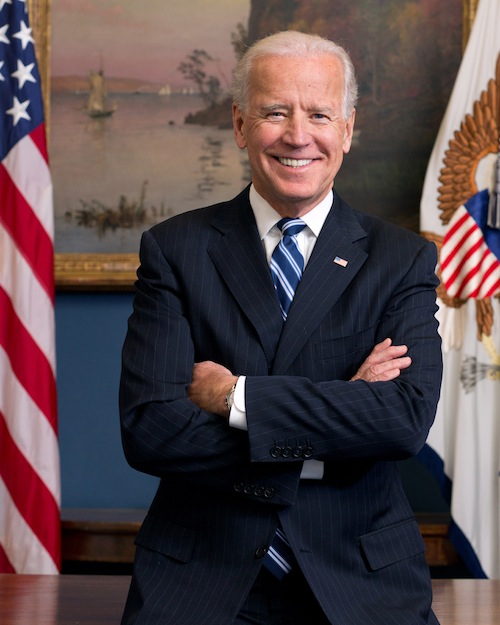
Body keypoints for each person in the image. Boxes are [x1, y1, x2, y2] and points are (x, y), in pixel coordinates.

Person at [119, 30, 442, 625]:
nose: (298, 135)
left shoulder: (402, 260)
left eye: (319, 113)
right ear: (241, 126)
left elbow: (400, 423)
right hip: (200, 578)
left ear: (347, 128)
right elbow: (151, 429)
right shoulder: (174, 250)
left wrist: (234, 397)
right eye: (275, 112)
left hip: (361, 582)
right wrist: (343, 413)